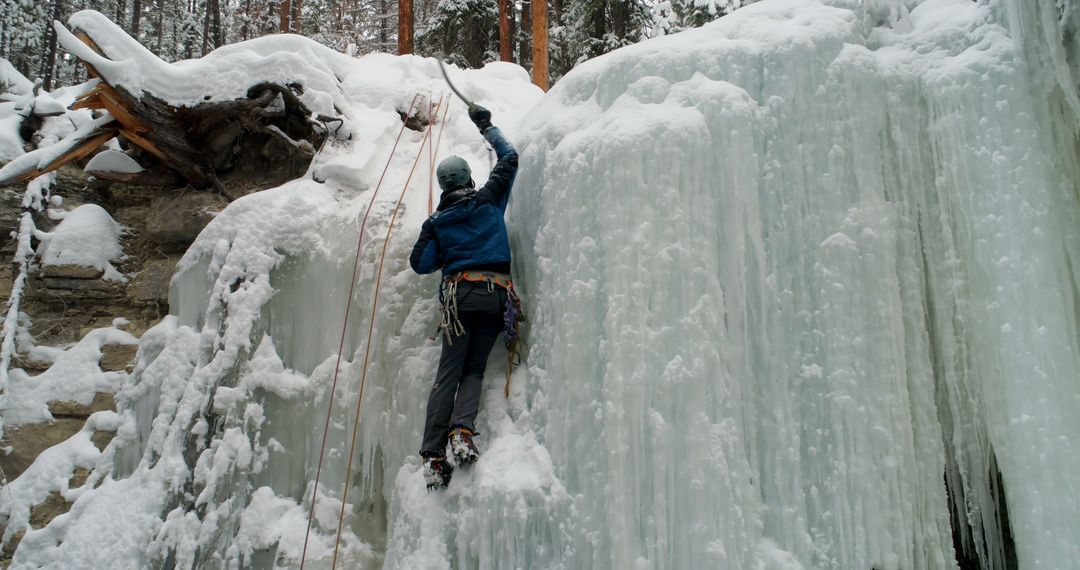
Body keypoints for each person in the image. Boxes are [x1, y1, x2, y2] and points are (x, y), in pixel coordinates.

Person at [409, 104, 519, 491]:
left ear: (443, 186)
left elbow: (420, 263)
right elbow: (509, 157)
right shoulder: (488, 201)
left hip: (459, 298)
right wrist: (486, 124)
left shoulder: (437, 223)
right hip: (495, 299)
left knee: (449, 374)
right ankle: (462, 432)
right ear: (470, 178)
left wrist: (439, 242)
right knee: (473, 368)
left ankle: (434, 457)